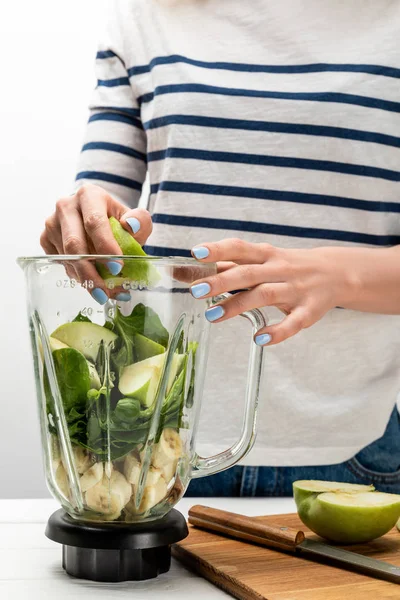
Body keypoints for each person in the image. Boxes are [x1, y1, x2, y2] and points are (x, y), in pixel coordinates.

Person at [40, 0, 400, 497]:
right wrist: (84, 229)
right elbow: (102, 210)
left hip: (353, 450)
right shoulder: (145, 19)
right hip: (156, 448)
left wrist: (338, 275)